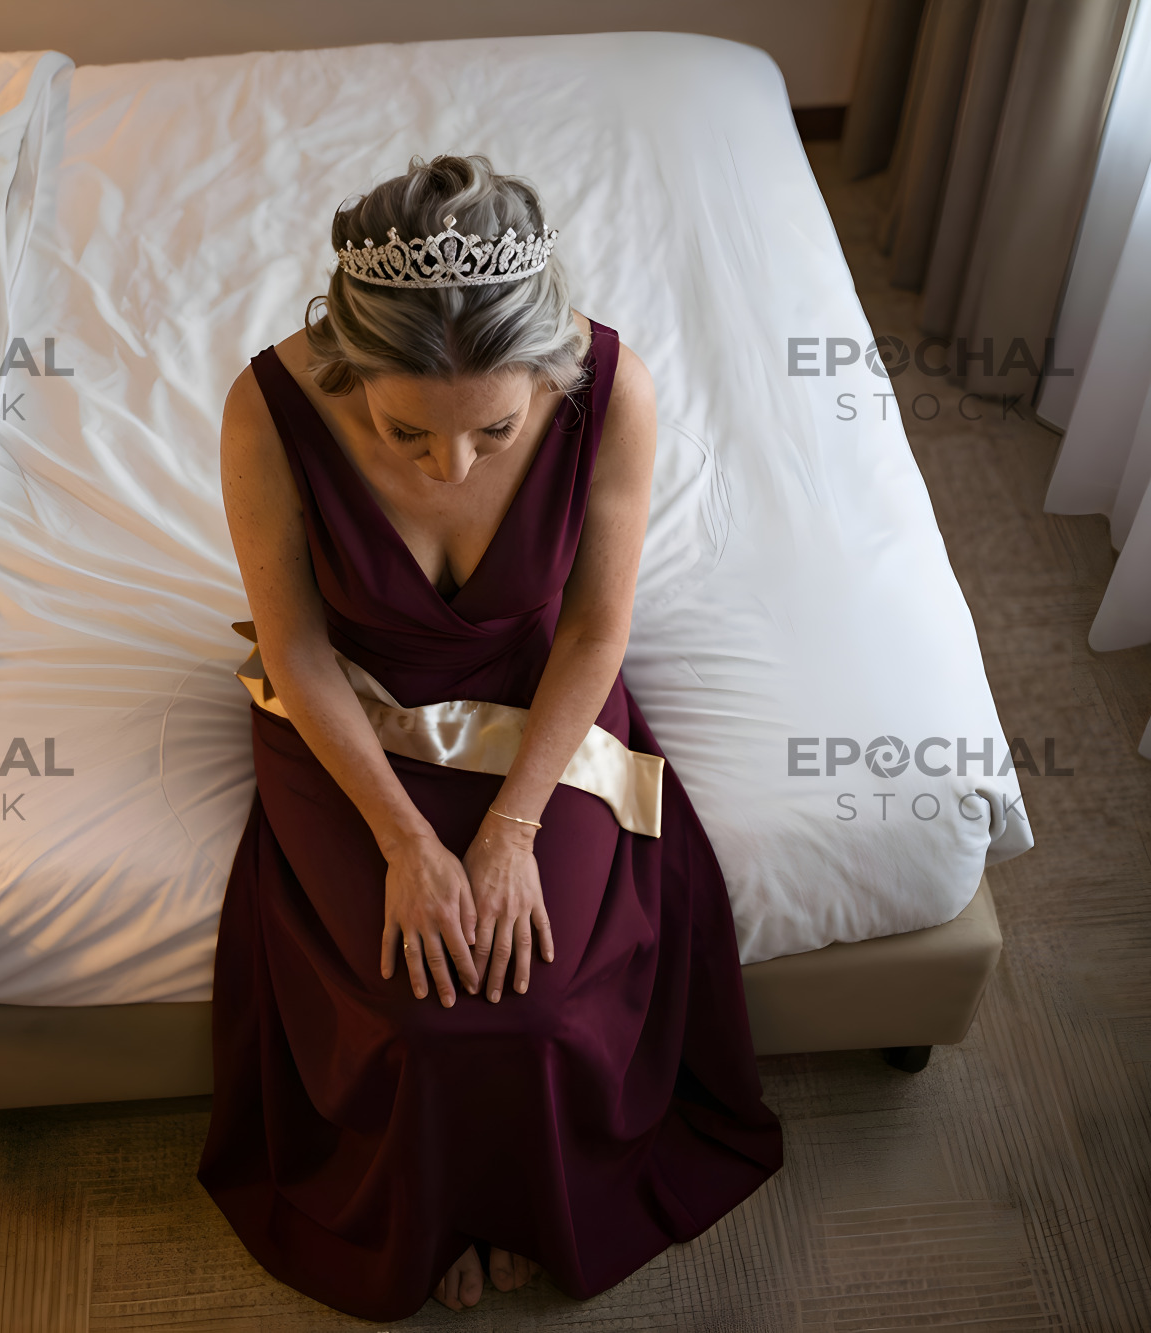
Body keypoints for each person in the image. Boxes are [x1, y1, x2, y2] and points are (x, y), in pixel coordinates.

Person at [198, 154, 782, 1321]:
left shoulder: (611, 388)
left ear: (547, 371)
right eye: (407, 433)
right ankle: (433, 1215)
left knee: (538, 1001)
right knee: (412, 1008)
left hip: (538, 699)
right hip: (352, 718)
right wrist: (407, 843)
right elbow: (299, 648)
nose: (450, 466)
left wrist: (511, 829)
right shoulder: (266, 410)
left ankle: (519, 1200)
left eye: (493, 430)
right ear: (351, 367)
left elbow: (593, 628)